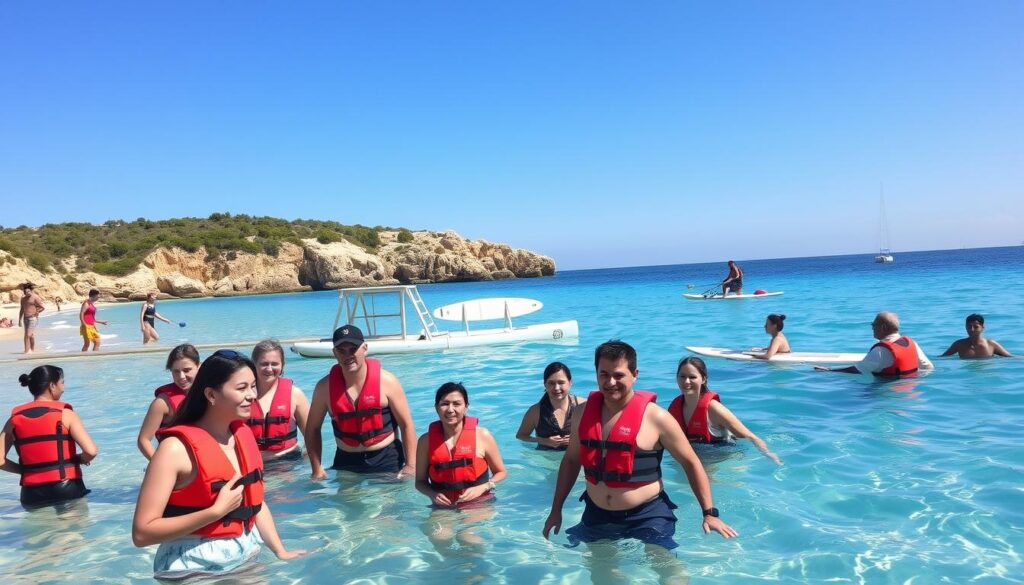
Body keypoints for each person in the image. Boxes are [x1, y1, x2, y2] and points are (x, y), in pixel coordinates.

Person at [543, 340, 737, 553]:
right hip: (597, 513)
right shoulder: (582, 413)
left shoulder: (657, 418)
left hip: (648, 514)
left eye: (619, 375)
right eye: (604, 374)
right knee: (600, 572)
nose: (610, 382)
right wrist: (556, 509)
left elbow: (691, 462)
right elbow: (571, 461)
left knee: (665, 565)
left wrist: (709, 513)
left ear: (635, 374)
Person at [131, 350, 304, 580]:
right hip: (193, 568)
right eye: (242, 388)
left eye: (253, 386)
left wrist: (280, 551)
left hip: (245, 556)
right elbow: (142, 533)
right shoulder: (174, 450)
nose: (252, 395)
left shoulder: (241, 436)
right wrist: (215, 512)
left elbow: (255, 502)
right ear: (211, 395)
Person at [305, 325, 417, 479]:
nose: (348, 355)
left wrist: (411, 465)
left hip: (386, 459)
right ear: (334, 353)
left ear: (365, 348)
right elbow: (312, 429)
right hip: (346, 460)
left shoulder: (387, 381)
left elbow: (407, 424)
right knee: (345, 503)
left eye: (353, 349)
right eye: (341, 350)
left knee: (388, 502)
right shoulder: (324, 388)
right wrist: (316, 469)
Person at [0, 365, 98, 508]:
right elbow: (91, 451)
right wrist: (80, 459)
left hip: (31, 493)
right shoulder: (66, 415)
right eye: (62, 383)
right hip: (67, 489)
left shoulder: (14, 420)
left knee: (39, 530)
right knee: (72, 530)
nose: (63, 387)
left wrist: (24, 470)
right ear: (52, 386)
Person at [669, 356, 781, 464]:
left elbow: (750, 436)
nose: (686, 381)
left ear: (703, 379)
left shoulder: (714, 409)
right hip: (696, 457)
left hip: (724, 458)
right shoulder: (675, 408)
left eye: (692, 377)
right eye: (682, 376)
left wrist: (768, 453)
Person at [415, 382, 506, 508]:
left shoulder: (483, 436)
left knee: (468, 528)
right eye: (444, 404)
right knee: (437, 528)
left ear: (466, 407)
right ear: (436, 407)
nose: (450, 409)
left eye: (457, 404)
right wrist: (432, 494)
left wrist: (484, 486)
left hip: (479, 502)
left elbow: (501, 472)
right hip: (442, 506)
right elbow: (420, 482)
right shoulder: (425, 441)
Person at [815, 311, 934, 377]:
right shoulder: (911, 343)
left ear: (882, 327)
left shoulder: (881, 351)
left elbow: (858, 370)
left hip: (885, 392)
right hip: (911, 391)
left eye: (873, 325)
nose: (872, 328)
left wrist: (829, 370)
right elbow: (928, 367)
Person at [246, 340, 310, 461]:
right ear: (253, 364)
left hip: (290, 463)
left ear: (282, 365)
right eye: (264, 364)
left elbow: (311, 436)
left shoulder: (295, 395)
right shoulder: (243, 395)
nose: (269, 369)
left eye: (274, 364)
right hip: (253, 463)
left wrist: (312, 467)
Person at [137, 345, 201, 460]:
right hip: (175, 465)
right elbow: (143, 440)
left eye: (187, 370)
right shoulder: (162, 403)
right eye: (176, 371)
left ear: (199, 366)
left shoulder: (209, 395)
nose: (181, 377)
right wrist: (160, 466)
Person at [516, 362, 586, 450]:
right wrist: (543, 441)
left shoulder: (582, 405)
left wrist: (577, 438)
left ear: (570, 383)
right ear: (545, 384)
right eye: (551, 383)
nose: (556, 388)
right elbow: (521, 436)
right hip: (545, 459)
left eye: (561, 382)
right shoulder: (535, 411)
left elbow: (598, 433)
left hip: (576, 458)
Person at [940, 314, 1012, 359]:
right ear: (965, 327)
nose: (972, 329)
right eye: (969, 326)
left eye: (976, 327)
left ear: (982, 327)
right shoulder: (959, 344)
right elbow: (942, 358)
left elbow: (1010, 357)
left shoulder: (991, 344)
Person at [18, 282, 46, 354]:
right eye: (25, 292)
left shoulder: (35, 297)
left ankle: (27, 351)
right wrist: (19, 320)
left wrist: (37, 312)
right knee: (29, 335)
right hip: (25, 318)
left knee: (28, 335)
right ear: (24, 292)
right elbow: (22, 309)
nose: (27, 293)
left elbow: (42, 307)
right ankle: (31, 350)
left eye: (28, 291)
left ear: (31, 290)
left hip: (33, 318)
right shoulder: (23, 299)